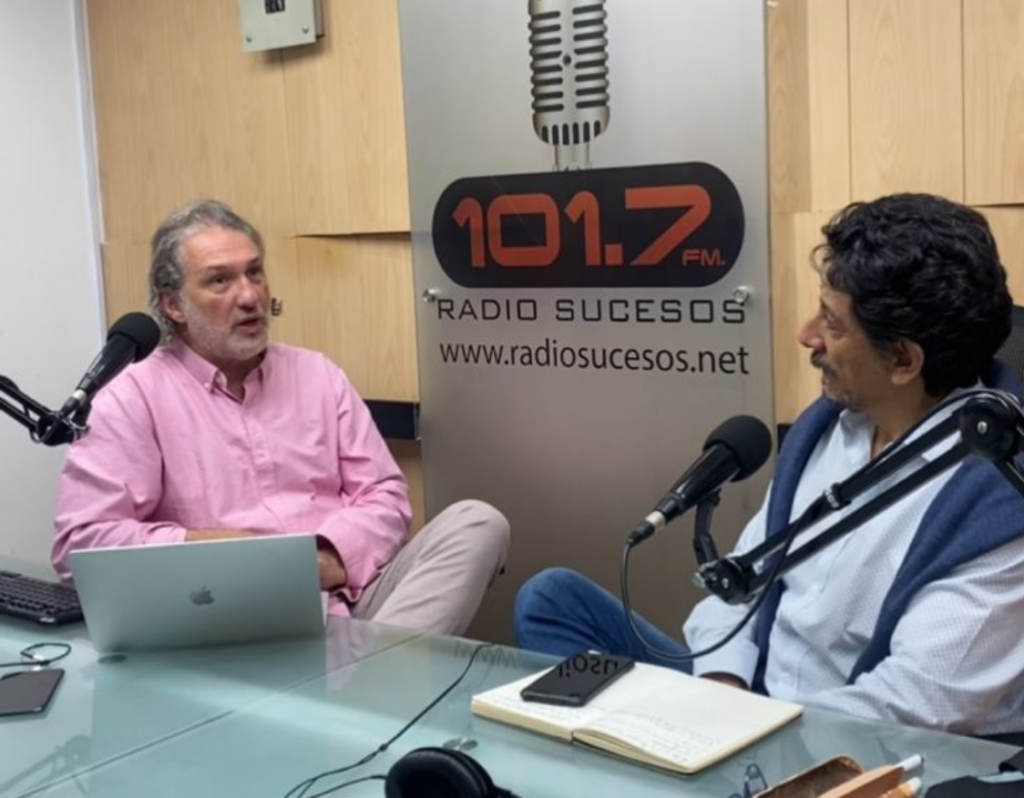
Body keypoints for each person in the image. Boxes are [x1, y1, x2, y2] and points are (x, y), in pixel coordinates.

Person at [514, 193, 1024, 736]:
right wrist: (721, 689)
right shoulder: (827, 428)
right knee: (551, 600)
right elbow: (742, 581)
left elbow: (915, 702)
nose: (807, 335)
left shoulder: (1000, 500)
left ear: (902, 359)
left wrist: (744, 737)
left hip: (843, 741)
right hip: (746, 703)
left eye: (832, 323)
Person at [53, 199, 510, 635]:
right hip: (225, 612)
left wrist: (326, 561)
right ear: (173, 305)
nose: (249, 295)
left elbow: (385, 497)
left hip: (350, 598)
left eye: (254, 272)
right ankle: (377, 678)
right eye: (220, 281)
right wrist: (217, 550)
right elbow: (82, 543)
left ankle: (374, 674)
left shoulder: (317, 374)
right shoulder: (131, 396)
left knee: (478, 523)